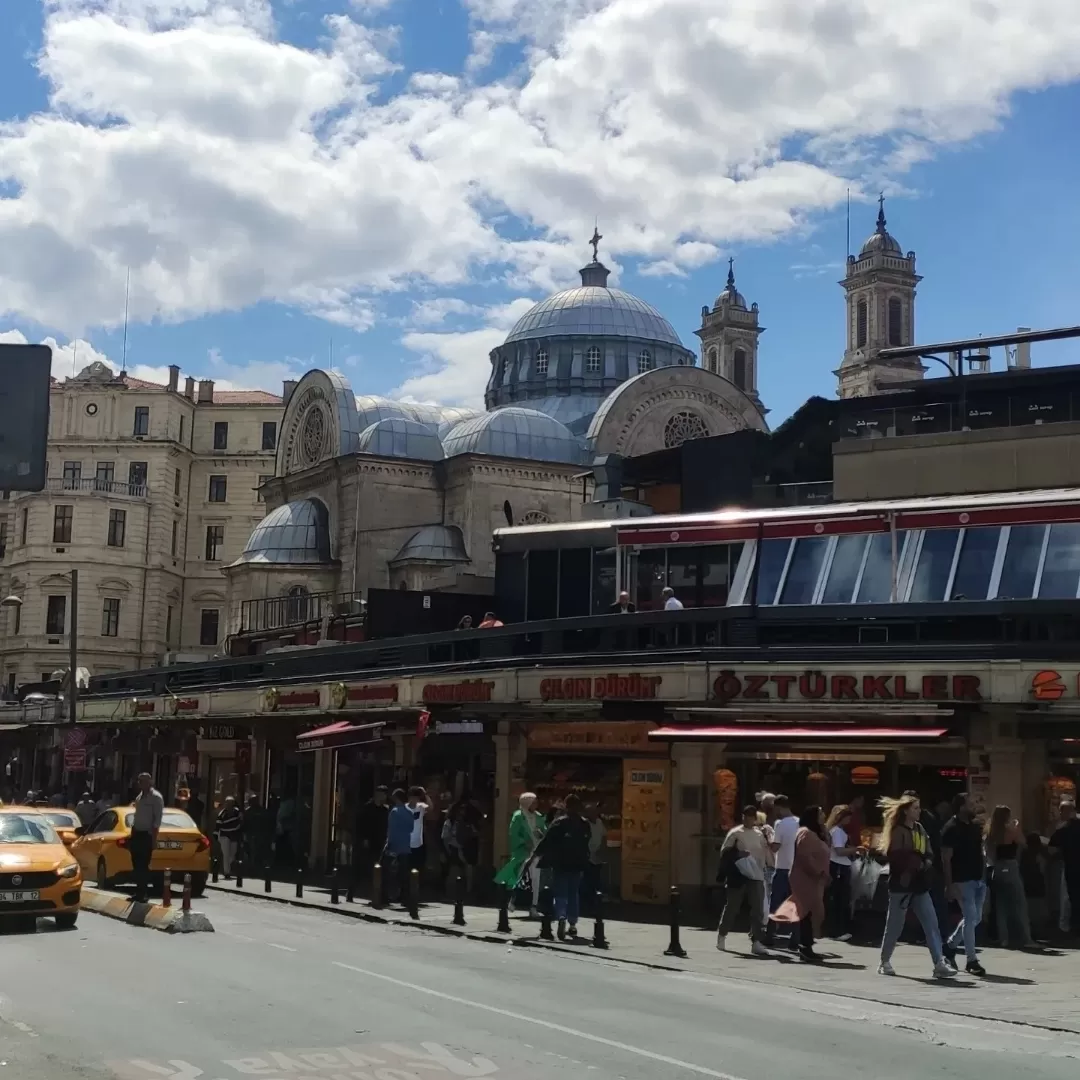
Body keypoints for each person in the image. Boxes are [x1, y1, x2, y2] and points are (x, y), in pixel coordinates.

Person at [878, 794, 956, 979]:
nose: (919, 811)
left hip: (920, 884)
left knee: (931, 924)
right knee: (895, 926)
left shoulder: (920, 829)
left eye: (919, 807)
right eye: (915, 808)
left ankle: (939, 963)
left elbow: (929, 851)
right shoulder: (898, 831)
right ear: (905, 810)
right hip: (902, 885)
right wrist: (913, 863)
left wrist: (926, 862)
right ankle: (884, 961)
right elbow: (895, 856)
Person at [769, 806, 831, 963]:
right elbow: (805, 857)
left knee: (810, 912)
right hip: (805, 878)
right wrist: (819, 872)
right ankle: (804, 947)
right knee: (807, 912)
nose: (824, 815)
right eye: (821, 813)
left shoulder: (817, 833)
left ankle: (805, 945)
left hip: (815, 879)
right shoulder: (805, 833)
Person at [942, 791, 988, 974]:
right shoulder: (950, 828)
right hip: (962, 880)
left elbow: (981, 851)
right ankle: (971, 960)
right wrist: (949, 884)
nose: (974, 807)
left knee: (975, 918)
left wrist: (984, 876)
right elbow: (946, 859)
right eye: (971, 804)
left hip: (978, 879)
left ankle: (950, 946)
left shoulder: (975, 826)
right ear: (961, 807)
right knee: (970, 918)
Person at [535, 793, 591, 940]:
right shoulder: (584, 824)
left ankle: (561, 916)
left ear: (566, 806)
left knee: (560, 893)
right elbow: (587, 843)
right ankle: (572, 924)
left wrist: (536, 855)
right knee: (574, 893)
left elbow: (547, 840)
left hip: (561, 863)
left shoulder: (560, 822)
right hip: (578, 863)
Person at [716, 804, 770, 956]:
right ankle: (722, 934)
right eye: (745, 816)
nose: (748, 819)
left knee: (758, 909)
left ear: (755, 818)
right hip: (739, 874)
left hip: (757, 874)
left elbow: (766, 851)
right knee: (733, 906)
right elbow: (725, 851)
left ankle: (757, 941)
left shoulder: (759, 833)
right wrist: (738, 854)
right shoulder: (735, 832)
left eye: (751, 817)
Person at [984, 804, 1033, 949]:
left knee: (1001, 905)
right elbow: (1023, 843)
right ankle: (1026, 938)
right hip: (1010, 866)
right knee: (1019, 903)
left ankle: (1003, 938)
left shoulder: (990, 831)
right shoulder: (1010, 830)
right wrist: (1017, 826)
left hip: (996, 867)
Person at [495, 792, 546, 916]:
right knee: (519, 877)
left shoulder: (538, 816)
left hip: (536, 852)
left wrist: (542, 834)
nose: (536, 804)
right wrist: (524, 842)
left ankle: (534, 907)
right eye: (533, 802)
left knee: (536, 879)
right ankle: (512, 900)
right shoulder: (518, 816)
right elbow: (513, 833)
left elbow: (545, 831)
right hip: (523, 852)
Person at [765, 794, 799, 945]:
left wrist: (767, 838)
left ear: (779, 807)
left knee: (775, 903)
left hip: (783, 868)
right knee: (796, 904)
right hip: (797, 869)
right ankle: (795, 937)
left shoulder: (779, 824)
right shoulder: (800, 822)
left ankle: (769, 935)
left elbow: (775, 847)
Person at [825, 804, 859, 941]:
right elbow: (839, 851)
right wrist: (856, 849)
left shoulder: (835, 830)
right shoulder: (837, 831)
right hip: (839, 866)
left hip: (838, 865)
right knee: (840, 898)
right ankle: (837, 930)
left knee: (838, 898)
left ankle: (836, 929)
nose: (849, 820)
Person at [130, 772, 163, 903]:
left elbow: (157, 820)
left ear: (150, 782)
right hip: (137, 834)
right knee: (136, 864)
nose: (140, 784)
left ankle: (143, 893)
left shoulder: (156, 798)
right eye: (139, 781)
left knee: (143, 865)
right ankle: (138, 892)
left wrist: (154, 839)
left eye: (143, 781)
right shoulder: (139, 797)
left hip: (147, 835)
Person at [1049, 799, 1080, 935]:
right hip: (1070, 864)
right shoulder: (1065, 827)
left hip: (1070, 866)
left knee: (1069, 896)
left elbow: (1052, 844)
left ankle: (1069, 926)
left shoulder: (1064, 829)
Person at [354, 786, 390, 883]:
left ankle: (379, 891)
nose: (383, 797)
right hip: (369, 840)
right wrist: (364, 838)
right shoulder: (367, 808)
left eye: (384, 795)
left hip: (381, 840)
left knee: (381, 867)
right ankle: (352, 889)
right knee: (363, 866)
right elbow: (360, 824)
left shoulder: (385, 810)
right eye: (380, 794)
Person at [385, 789, 414, 902]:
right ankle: (404, 896)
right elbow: (411, 829)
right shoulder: (409, 812)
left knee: (389, 872)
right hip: (405, 845)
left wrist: (389, 843)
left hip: (394, 845)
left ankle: (388, 895)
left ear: (397, 799)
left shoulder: (394, 811)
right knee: (404, 873)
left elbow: (391, 829)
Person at [1021, 833, 1050, 940]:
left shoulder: (1024, 854)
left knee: (1029, 909)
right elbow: (1042, 869)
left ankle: (1031, 931)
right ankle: (1039, 931)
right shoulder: (1039, 855)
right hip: (1038, 886)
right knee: (1039, 910)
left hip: (1027, 886)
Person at [582, 803, 607, 914]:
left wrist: (602, 849)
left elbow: (604, 835)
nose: (594, 814)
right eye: (591, 812)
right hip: (586, 856)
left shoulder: (599, 822)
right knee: (586, 880)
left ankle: (595, 902)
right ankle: (586, 902)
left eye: (595, 812)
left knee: (596, 879)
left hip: (597, 856)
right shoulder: (583, 823)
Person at [216, 796, 244, 878]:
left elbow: (241, 821)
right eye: (227, 803)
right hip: (224, 835)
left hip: (234, 835)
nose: (229, 805)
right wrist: (216, 835)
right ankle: (227, 872)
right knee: (226, 854)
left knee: (232, 854)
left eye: (231, 803)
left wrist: (239, 828)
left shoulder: (237, 812)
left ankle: (228, 867)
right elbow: (218, 825)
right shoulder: (222, 813)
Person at [406, 786, 432, 875]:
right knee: (406, 868)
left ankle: (416, 885)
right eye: (413, 797)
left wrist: (424, 793)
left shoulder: (421, 807)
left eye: (417, 797)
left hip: (418, 844)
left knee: (417, 867)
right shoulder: (404, 808)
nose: (415, 800)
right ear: (409, 797)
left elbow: (430, 807)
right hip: (406, 844)